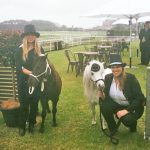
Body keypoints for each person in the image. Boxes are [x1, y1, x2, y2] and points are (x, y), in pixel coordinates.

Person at [99, 54, 145, 136]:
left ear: (122, 67)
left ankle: (132, 124)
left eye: (118, 66)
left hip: (132, 107)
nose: (115, 69)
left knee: (128, 120)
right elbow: (106, 98)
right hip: (117, 105)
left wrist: (126, 110)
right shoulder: (108, 78)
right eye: (113, 67)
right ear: (111, 68)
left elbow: (139, 98)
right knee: (104, 106)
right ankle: (113, 129)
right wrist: (101, 94)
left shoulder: (131, 78)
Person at [14, 24, 45, 136]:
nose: (31, 37)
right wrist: (32, 73)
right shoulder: (20, 50)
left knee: (34, 104)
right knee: (24, 105)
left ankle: (32, 124)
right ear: (25, 36)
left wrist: (38, 75)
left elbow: (43, 64)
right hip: (24, 82)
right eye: (28, 35)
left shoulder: (40, 49)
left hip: (36, 82)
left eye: (33, 35)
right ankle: (22, 126)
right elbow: (19, 68)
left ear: (35, 36)